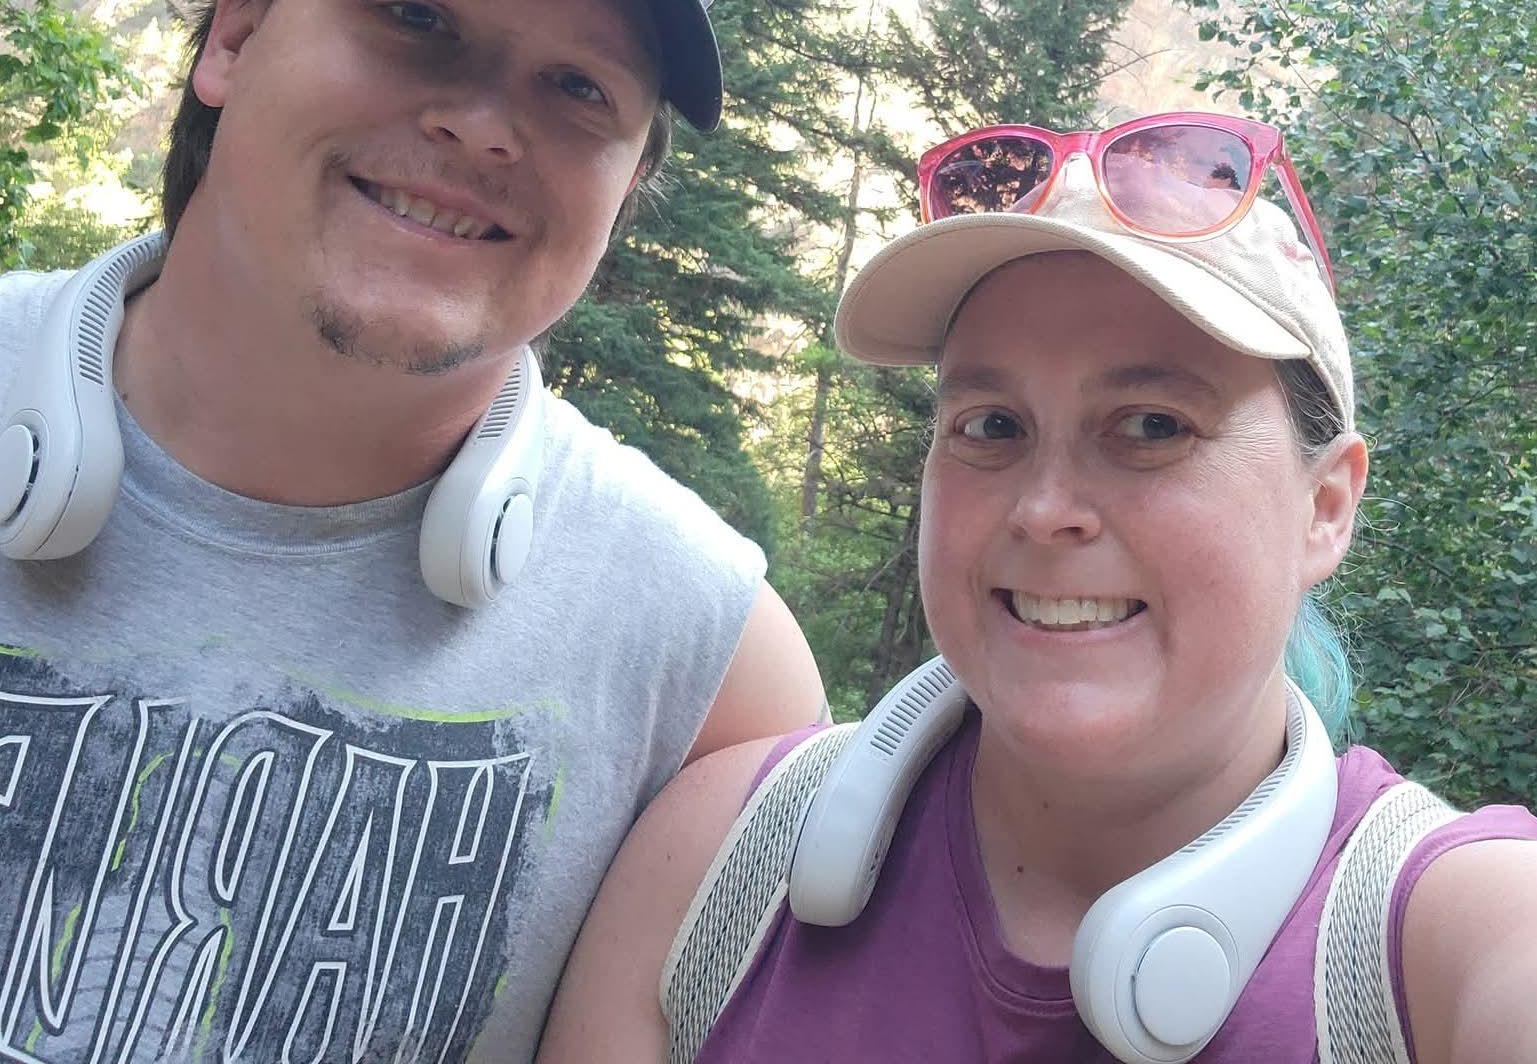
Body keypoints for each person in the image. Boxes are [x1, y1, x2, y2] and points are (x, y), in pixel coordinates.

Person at [0, 0, 823, 1061]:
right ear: (236, 28)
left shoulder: (712, 671)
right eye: (417, 21)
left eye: (578, 91)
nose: (486, 129)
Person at [536, 112, 1537, 1063]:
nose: (1043, 508)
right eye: (992, 426)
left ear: (1325, 507)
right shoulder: (716, 861)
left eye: (1151, 425)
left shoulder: (1453, 946)